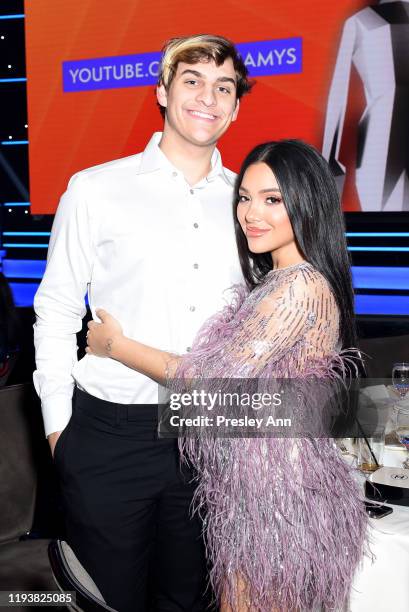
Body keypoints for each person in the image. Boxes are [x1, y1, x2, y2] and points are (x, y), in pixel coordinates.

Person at [86, 139, 368, 612]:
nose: (251, 213)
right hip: (261, 493)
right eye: (244, 197)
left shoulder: (297, 287)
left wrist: (114, 345)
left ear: (307, 202)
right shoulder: (282, 280)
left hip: (278, 504)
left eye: (272, 199)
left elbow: (204, 382)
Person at [33, 34, 252, 611]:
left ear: (236, 107)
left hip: (212, 440)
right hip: (109, 436)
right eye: (193, 81)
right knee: (106, 602)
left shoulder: (249, 204)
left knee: (192, 602)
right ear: (161, 90)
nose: (208, 97)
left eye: (223, 87)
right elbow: (55, 308)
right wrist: (60, 431)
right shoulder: (96, 189)